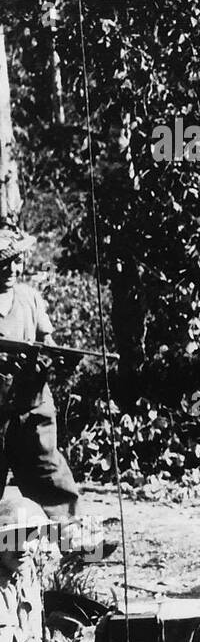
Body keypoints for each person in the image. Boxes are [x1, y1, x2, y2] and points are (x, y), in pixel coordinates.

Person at [0, 228, 88, 549]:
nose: (10, 270)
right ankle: (7, 555)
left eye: (14, 262)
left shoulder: (29, 297)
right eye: (1, 264)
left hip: (31, 406)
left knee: (50, 474)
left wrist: (57, 357)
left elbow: (46, 340)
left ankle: (75, 548)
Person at [0, 495, 91, 642]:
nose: (23, 547)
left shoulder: (24, 573)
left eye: (30, 537)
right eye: (12, 538)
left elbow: (30, 639)